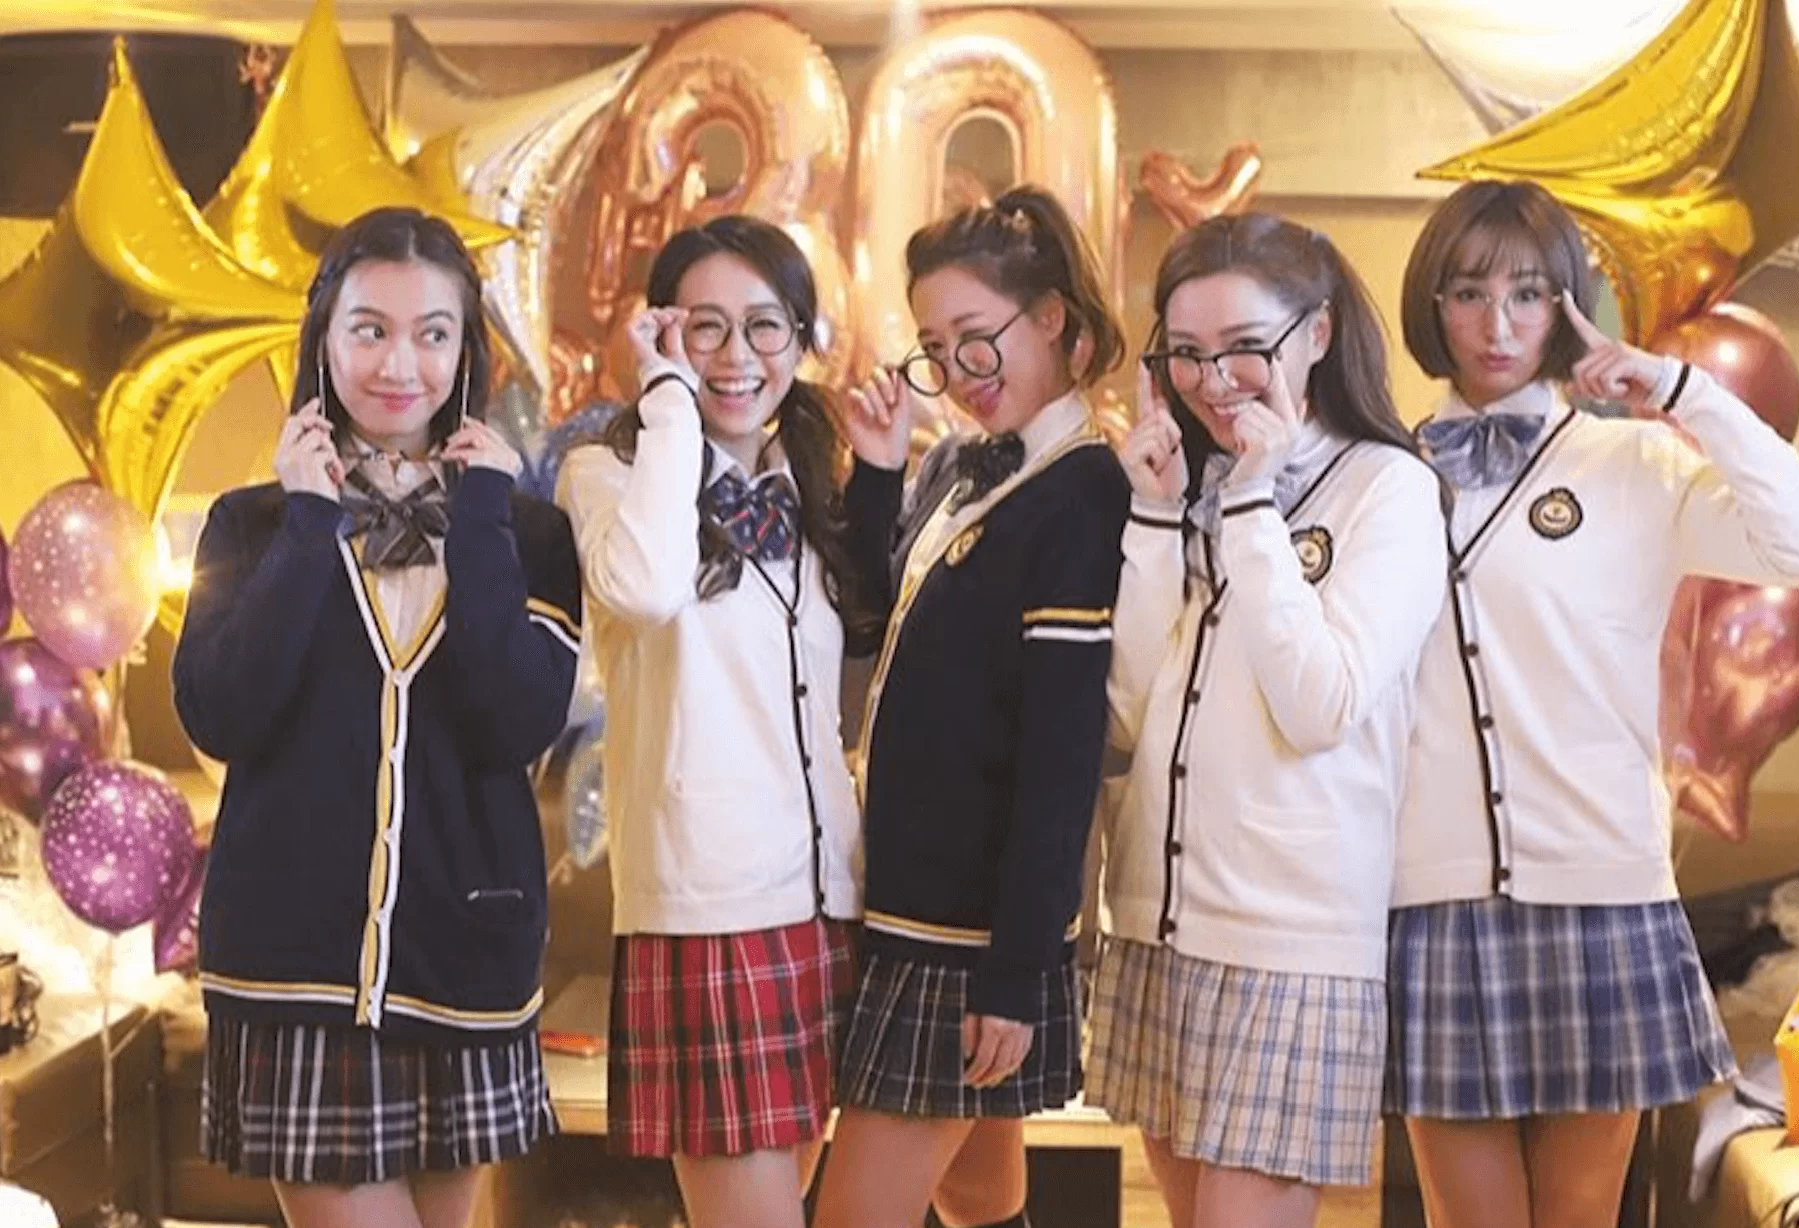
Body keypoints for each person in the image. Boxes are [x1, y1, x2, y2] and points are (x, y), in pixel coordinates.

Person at [1385, 179, 1799, 1228]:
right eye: (1468, 292)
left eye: (1528, 293)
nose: (1497, 324)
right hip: (1432, 894)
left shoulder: (1636, 459)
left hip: (1605, 891)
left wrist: (1681, 391)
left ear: (1565, 307)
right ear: (1432, 306)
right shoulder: (1387, 474)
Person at [174, 206, 581, 1228]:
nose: (401, 364)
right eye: (370, 329)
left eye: (432, 333)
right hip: (293, 973)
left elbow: (514, 722)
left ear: (466, 350)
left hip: (467, 965)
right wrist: (309, 522)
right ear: (323, 337)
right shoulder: (251, 523)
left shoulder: (528, 532)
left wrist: (480, 519)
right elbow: (223, 714)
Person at [1092, 212, 1446, 1228]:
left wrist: (1250, 508)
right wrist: (1156, 516)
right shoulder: (1192, 485)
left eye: (1245, 347)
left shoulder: (1389, 489)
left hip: (1290, 943)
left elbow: (1321, 703)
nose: (1213, 381)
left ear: (1317, 333)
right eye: (1185, 353)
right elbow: (1125, 716)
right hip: (1158, 922)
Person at [811, 185, 1131, 1228]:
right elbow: (873, 628)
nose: (956, 372)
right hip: (913, 905)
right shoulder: (970, 473)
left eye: (976, 337)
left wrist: (1016, 968)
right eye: (935, 348)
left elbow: (1061, 753)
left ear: (1052, 318)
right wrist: (877, 473)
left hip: (966, 933)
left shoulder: (1083, 492)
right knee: (978, 1194)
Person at [554, 216, 865, 1228]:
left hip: (825, 896)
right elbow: (645, 590)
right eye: (705, 327)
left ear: (801, 337)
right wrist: (667, 403)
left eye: (765, 325)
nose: (737, 354)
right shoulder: (606, 473)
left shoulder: (809, 481)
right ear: (662, 333)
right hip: (708, 906)